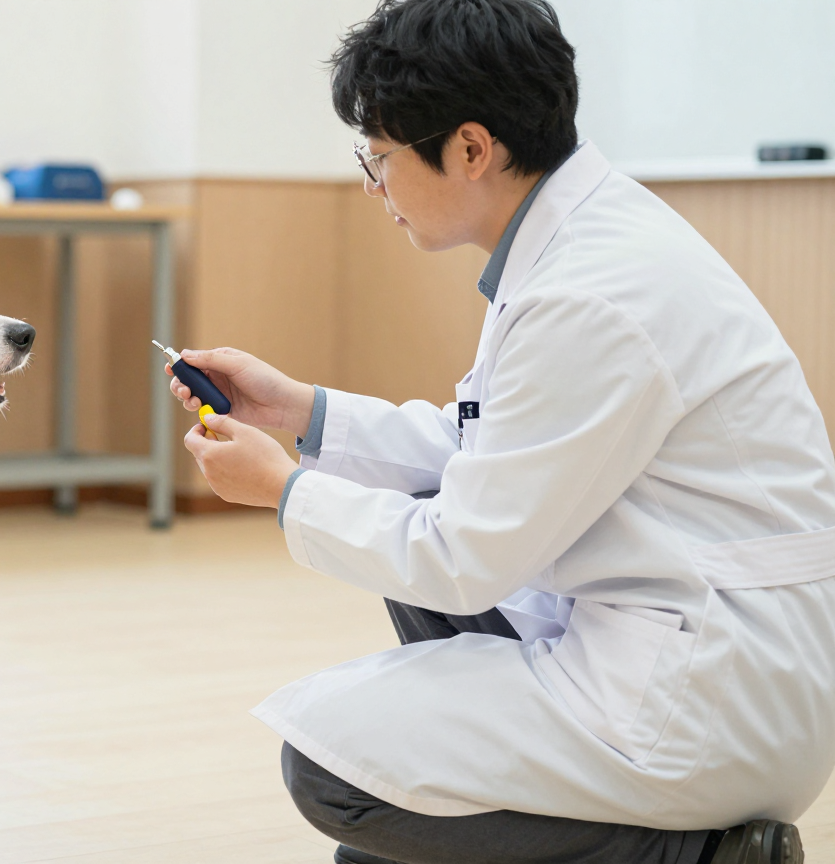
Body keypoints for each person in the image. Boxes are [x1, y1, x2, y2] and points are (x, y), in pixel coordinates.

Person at [169, 1, 835, 862]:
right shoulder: (571, 240)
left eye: (379, 160)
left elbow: (463, 555)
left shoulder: (591, 292)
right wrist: (301, 412)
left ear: (471, 149)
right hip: (674, 627)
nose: (376, 190)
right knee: (380, 814)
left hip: (708, 689)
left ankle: (707, 856)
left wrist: (282, 489)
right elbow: (482, 449)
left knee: (331, 776)